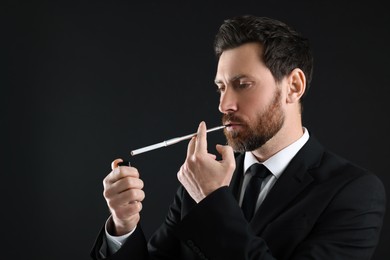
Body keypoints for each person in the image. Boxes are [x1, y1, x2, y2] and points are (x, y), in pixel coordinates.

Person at [90, 15, 386, 259]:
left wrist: (212, 201)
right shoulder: (200, 183)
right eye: (221, 87)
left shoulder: (353, 192)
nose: (224, 105)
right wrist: (123, 226)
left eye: (242, 84)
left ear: (293, 86)